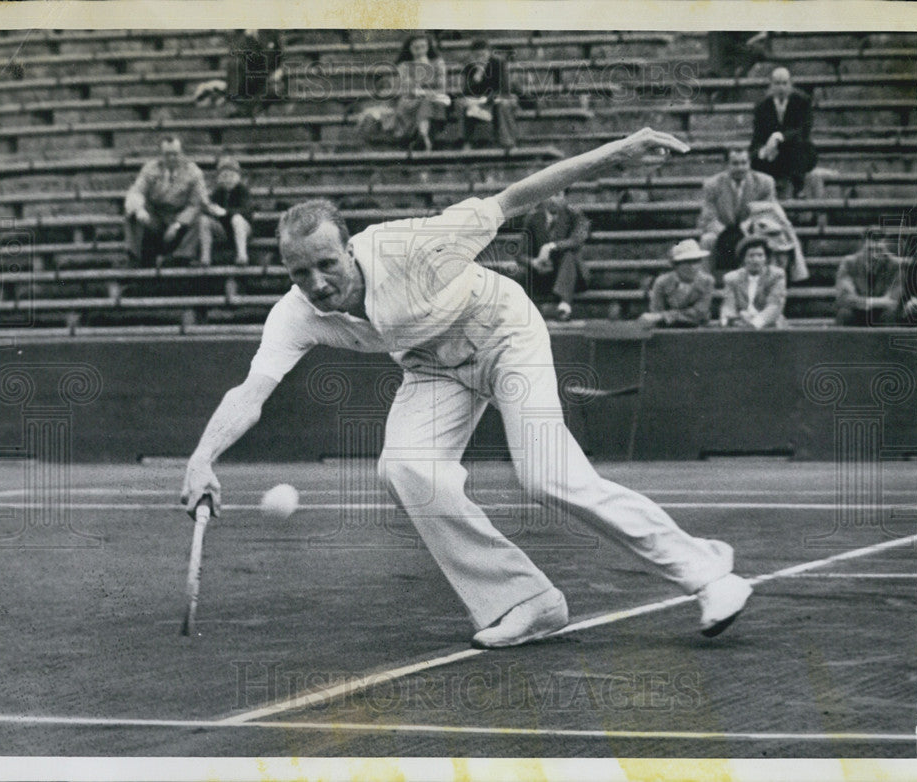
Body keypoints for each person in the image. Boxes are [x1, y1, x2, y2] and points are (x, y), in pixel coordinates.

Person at [180, 128, 753, 648]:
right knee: (405, 468)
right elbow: (252, 390)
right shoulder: (296, 313)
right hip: (432, 367)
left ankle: (708, 573)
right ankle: (525, 600)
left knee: (548, 476)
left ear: (350, 249)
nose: (316, 283)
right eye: (299, 273)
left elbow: (517, 197)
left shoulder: (412, 249)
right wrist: (204, 457)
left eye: (325, 264)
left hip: (504, 334)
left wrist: (619, 151)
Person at [123, 136, 208, 267]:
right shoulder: (150, 168)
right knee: (132, 212)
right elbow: (136, 191)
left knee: (199, 215)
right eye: (167, 154)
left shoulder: (194, 172)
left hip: (180, 220)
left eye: (175, 154)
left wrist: (177, 224)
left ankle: (182, 256)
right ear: (161, 155)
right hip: (156, 218)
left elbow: (196, 203)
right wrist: (140, 210)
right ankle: (135, 257)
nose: (171, 158)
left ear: (182, 154)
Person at [697, 146, 777, 278]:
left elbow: (766, 213)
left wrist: (747, 229)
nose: (740, 168)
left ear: (749, 163)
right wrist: (726, 234)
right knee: (707, 240)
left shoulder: (765, 183)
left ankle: (765, 283)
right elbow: (708, 217)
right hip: (722, 231)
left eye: (744, 163)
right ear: (726, 165)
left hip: (751, 230)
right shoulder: (712, 184)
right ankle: (706, 284)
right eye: (735, 163)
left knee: (767, 237)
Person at [517, 191, 591, 321]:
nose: (552, 199)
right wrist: (534, 262)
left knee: (569, 255)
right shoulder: (533, 218)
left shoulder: (575, 215)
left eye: (557, 195)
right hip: (545, 275)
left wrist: (551, 246)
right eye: (548, 194)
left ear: (565, 198)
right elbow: (520, 254)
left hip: (572, 276)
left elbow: (577, 240)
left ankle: (564, 304)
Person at [749, 67, 818, 198]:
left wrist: (779, 137)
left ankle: (798, 190)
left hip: (797, 151)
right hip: (772, 154)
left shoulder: (802, 102)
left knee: (798, 148)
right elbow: (757, 136)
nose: (781, 88)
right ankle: (765, 195)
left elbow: (803, 131)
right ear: (771, 85)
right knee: (754, 158)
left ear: (790, 84)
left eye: (784, 83)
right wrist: (763, 151)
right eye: (777, 83)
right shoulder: (762, 106)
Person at [393, 32, 450, 151]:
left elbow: (441, 87)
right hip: (411, 102)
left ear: (428, 47)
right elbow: (407, 89)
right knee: (422, 102)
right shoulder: (404, 66)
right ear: (409, 49)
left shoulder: (438, 63)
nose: (420, 51)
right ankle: (423, 137)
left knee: (427, 102)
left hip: (434, 100)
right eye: (416, 48)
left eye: (423, 47)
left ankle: (422, 137)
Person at [638, 239, 715, 328]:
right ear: (676, 265)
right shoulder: (662, 282)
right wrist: (662, 317)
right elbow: (655, 312)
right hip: (667, 329)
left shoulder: (707, 281)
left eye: (696, 261)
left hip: (698, 329)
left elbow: (700, 312)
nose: (693, 267)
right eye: (687, 262)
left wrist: (665, 316)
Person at [457, 38, 517, 149]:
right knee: (462, 104)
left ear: (489, 53)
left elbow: (504, 89)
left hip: (499, 98)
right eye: (476, 56)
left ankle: (508, 143)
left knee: (502, 104)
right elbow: (466, 91)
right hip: (479, 101)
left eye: (483, 55)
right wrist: (476, 79)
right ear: (472, 55)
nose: (480, 58)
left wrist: (485, 100)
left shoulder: (499, 63)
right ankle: (466, 142)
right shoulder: (470, 67)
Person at [834, 234, 904, 326]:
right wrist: (877, 302)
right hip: (857, 312)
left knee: (891, 314)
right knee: (844, 314)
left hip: (882, 313)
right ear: (861, 248)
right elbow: (845, 299)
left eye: (879, 250)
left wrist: (861, 301)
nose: (874, 256)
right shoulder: (849, 263)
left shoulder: (895, 265)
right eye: (870, 250)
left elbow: (893, 301)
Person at [719, 236, 788, 329]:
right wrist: (728, 320)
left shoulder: (776, 275)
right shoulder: (731, 278)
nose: (756, 260)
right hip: (741, 325)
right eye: (751, 256)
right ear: (743, 259)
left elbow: (774, 306)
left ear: (766, 258)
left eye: (760, 255)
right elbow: (728, 306)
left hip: (770, 327)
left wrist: (754, 323)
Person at [199, 155, 253, 266]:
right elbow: (210, 208)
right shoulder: (218, 192)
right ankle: (205, 258)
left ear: (238, 177)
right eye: (224, 176)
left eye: (231, 176)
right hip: (224, 230)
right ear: (218, 178)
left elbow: (246, 211)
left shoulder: (243, 191)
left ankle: (242, 256)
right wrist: (209, 208)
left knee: (237, 219)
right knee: (203, 220)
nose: (228, 179)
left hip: (242, 230)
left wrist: (225, 212)